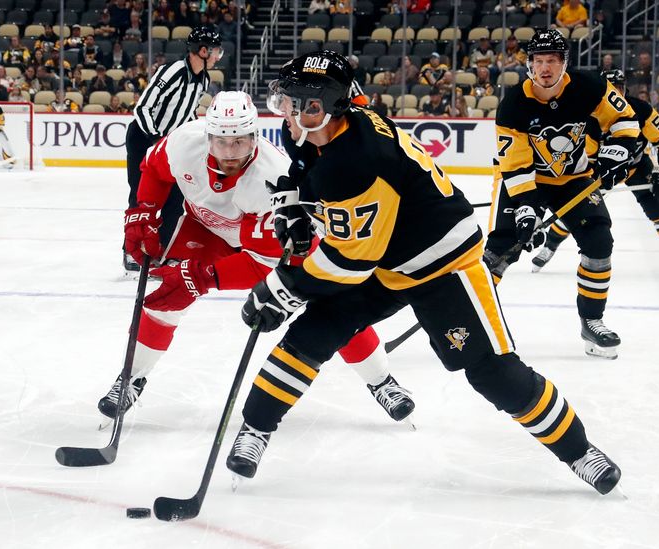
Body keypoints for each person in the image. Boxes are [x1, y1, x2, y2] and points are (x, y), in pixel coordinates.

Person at [232, 50, 622, 497]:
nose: (285, 112)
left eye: (295, 102)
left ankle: (579, 451)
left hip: (442, 263)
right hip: (387, 257)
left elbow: (348, 261)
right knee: (313, 332)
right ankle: (256, 428)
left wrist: (280, 287)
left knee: (492, 372)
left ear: (324, 106)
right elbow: (304, 167)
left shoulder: (355, 162)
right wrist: (293, 202)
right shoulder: (319, 128)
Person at [99, 91, 415, 429]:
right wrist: (143, 212)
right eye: (222, 142)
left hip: (279, 247)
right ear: (208, 137)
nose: (230, 153)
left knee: (332, 309)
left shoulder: (272, 180)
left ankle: (382, 381)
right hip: (205, 227)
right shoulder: (184, 143)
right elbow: (153, 170)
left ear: (254, 136)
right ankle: (131, 377)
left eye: (240, 142)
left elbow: (262, 263)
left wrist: (200, 277)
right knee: (164, 301)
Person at [484, 29, 639, 360]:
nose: (544, 68)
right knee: (499, 253)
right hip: (527, 181)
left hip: (574, 179)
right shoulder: (513, 103)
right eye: (538, 61)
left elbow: (624, 119)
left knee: (599, 242)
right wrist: (526, 209)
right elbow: (514, 163)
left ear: (564, 63)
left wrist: (621, 149)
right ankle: (472, 321)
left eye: (552, 61)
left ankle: (592, 321)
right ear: (529, 65)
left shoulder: (590, 86)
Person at [532, 69, 659, 276]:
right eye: (611, 88)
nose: (616, 93)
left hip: (636, 167)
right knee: (577, 208)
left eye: (619, 88)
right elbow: (587, 157)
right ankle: (549, 246)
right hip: (602, 170)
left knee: (657, 206)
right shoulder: (589, 116)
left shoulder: (641, 109)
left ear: (625, 89)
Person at [124, 27, 222, 274]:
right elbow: (143, 108)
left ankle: (164, 251)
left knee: (177, 198)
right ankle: (131, 250)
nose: (218, 55)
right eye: (215, 51)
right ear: (203, 50)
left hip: (168, 146)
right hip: (144, 138)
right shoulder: (173, 71)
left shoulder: (204, 79)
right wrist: (156, 140)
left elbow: (187, 114)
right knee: (141, 197)